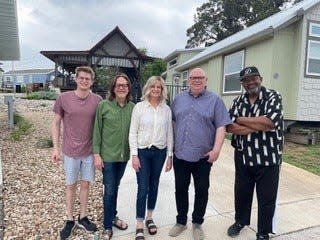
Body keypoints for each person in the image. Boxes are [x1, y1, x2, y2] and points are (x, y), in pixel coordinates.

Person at [169, 68, 231, 240]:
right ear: (188, 80)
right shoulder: (178, 99)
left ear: (206, 80)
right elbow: (173, 121)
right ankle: (181, 221)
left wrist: (217, 150)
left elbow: (221, 126)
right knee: (180, 189)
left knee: (202, 190)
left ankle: (197, 223)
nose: (196, 80)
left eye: (200, 78)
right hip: (180, 154)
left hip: (203, 156)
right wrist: (172, 147)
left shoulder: (215, 100)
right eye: (193, 78)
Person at [226, 66, 284, 240]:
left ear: (261, 78)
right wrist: (255, 125)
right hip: (243, 156)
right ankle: (240, 221)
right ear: (243, 84)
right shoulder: (237, 101)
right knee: (242, 192)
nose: (251, 82)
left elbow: (269, 123)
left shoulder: (273, 96)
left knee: (266, 197)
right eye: (246, 80)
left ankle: (263, 231)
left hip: (268, 157)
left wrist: (241, 120)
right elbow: (229, 126)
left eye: (254, 78)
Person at [51, 66, 102, 240]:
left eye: (88, 79)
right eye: (81, 78)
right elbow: (56, 123)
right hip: (70, 152)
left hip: (89, 151)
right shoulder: (63, 98)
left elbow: (102, 126)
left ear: (92, 81)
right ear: (76, 79)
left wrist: (99, 152)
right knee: (71, 186)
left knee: (86, 185)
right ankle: (69, 219)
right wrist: (56, 148)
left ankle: (83, 216)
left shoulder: (98, 100)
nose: (84, 81)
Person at [129, 76, 173, 240]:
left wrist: (170, 156)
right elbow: (133, 132)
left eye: (159, 87)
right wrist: (134, 155)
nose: (156, 89)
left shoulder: (166, 109)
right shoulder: (139, 108)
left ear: (162, 90)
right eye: (153, 86)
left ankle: (149, 217)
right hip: (143, 153)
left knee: (154, 185)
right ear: (148, 88)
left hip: (160, 153)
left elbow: (169, 134)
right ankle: (139, 224)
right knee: (143, 187)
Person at [92, 74, 135, 240]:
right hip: (108, 156)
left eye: (125, 85)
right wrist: (96, 154)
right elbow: (96, 130)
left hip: (123, 156)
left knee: (114, 187)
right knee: (109, 191)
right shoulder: (103, 106)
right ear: (113, 88)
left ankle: (113, 216)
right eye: (118, 85)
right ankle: (108, 225)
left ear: (128, 88)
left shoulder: (133, 107)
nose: (122, 87)